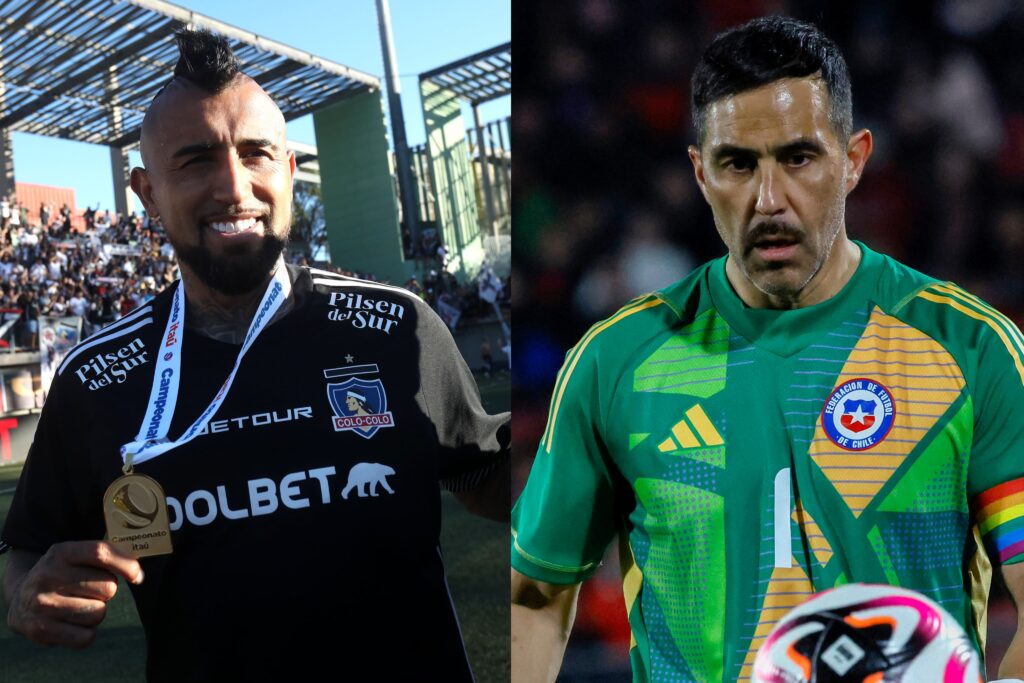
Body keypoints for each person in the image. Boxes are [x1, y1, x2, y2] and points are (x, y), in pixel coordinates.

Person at [511, 15, 1024, 682]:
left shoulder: (971, 348)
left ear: (855, 160)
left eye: (799, 157)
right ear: (700, 174)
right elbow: (536, 598)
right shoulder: (614, 363)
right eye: (737, 164)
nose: (769, 198)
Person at [2, 29, 509, 682]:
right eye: (196, 160)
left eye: (257, 154)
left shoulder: (396, 327)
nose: (235, 187)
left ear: (290, 171)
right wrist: (24, 594)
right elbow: (29, 546)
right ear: (147, 192)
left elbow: (485, 477)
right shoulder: (96, 380)